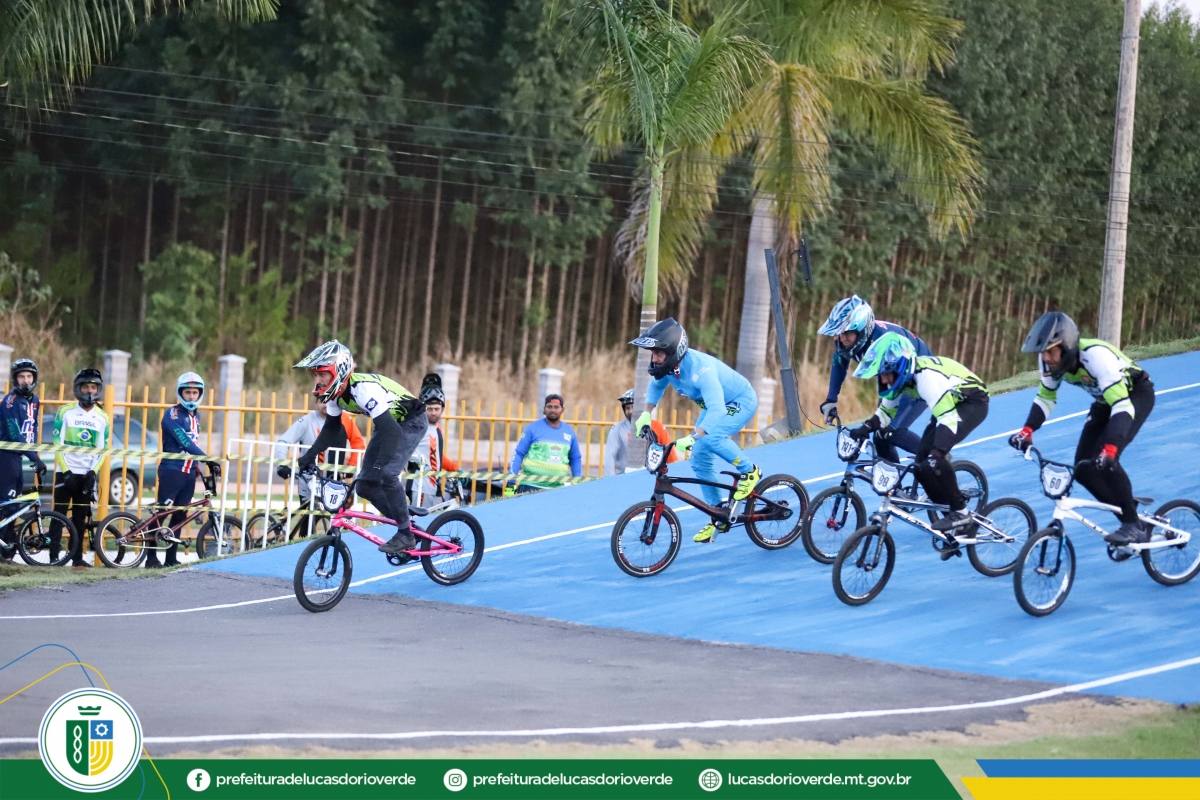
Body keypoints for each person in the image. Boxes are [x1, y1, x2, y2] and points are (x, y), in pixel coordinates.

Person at [1009, 312, 1155, 545]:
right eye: (1042, 352)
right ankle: (1132, 515)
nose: (1045, 357)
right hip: (1104, 402)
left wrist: (1111, 447)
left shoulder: (1095, 357)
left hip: (1133, 397)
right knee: (1083, 469)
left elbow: (1121, 405)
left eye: (1050, 351)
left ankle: (1132, 524)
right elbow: (1046, 397)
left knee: (1107, 458)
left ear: (1067, 347)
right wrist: (1027, 430)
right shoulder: (1049, 362)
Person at [630, 318, 761, 543]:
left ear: (673, 352)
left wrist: (693, 437)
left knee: (711, 438)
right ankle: (718, 513)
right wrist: (646, 413)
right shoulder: (669, 368)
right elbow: (656, 386)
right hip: (714, 406)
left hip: (740, 401)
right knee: (699, 458)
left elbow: (718, 410)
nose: (654, 359)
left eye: (658, 353)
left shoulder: (701, 370)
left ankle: (750, 471)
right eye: (653, 353)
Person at [851, 332, 989, 545]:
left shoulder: (926, 379)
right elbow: (885, 413)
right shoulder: (902, 377)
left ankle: (962, 514)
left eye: (886, 374)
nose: (884, 380)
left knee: (935, 460)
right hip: (947, 405)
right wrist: (864, 429)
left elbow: (949, 420)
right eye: (881, 375)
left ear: (900, 367)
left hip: (971, 403)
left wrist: (939, 451)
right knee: (920, 468)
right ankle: (955, 521)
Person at [293, 341, 427, 556]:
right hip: (387, 424)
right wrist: (309, 456)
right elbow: (332, 429)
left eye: (322, 374)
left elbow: (392, 431)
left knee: (387, 474)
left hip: (410, 421)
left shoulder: (363, 390)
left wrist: (380, 466)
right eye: (315, 375)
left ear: (339, 371)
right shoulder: (336, 395)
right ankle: (407, 523)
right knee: (365, 486)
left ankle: (405, 534)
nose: (318, 380)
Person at [818, 295, 932, 454]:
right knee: (880, 436)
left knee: (892, 432)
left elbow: (902, 384)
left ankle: (937, 459)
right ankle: (890, 472)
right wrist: (831, 399)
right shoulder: (847, 341)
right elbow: (839, 364)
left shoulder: (884, 342)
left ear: (862, 331)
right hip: (893, 379)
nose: (842, 338)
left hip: (916, 378)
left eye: (847, 332)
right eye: (839, 332)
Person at [149, 372, 219, 568]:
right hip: (172, 470)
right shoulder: (172, 414)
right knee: (161, 513)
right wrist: (207, 459)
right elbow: (184, 441)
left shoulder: (197, 416)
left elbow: (193, 444)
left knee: (180, 516)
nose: (191, 397)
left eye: (195, 393)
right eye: (187, 392)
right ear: (180, 393)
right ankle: (151, 558)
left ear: (200, 394)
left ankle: (170, 558)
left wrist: (197, 466)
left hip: (188, 473)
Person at [49, 369, 109, 568]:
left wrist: (93, 472)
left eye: (93, 387)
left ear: (98, 390)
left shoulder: (102, 417)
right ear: (78, 388)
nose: (89, 391)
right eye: (85, 387)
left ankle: (76, 558)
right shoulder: (65, 411)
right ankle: (54, 557)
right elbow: (57, 443)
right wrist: (66, 471)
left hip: (86, 474)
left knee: (80, 518)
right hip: (65, 472)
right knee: (58, 515)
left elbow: (102, 449)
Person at [273, 395, 365, 503]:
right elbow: (283, 442)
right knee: (309, 513)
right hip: (308, 482)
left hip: (334, 483)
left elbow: (358, 443)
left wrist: (351, 467)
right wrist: (281, 464)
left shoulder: (345, 420)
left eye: (331, 401)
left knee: (335, 513)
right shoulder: (307, 421)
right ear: (316, 402)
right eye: (323, 401)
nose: (327, 405)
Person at [0, 358, 47, 559]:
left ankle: (7, 549)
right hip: (6, 455)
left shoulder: (35, 400)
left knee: (15, 505)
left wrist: (32, 455)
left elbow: (32, 429)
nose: (26, 380)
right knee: (7, 503)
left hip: (19, 456)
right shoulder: (9, 402)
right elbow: (14, 433)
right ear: (15, 379)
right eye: (21, 377)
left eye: (29, 376)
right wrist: (34, 457)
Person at [508, 394, 582, 492]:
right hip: (530, 486)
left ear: (562, 410)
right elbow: (518, 454)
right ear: (544, 409)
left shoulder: (569, 431)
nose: (552, 410)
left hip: (557, 490)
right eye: (549, 407)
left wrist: (577, 482)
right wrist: (511, 481)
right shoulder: (532, 428)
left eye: (556, 407)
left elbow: (575, 458)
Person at [604, 388, 678, 475]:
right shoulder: (617, 429)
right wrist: (610, 480)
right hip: (624, 478)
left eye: (633, 407)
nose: (630, 411)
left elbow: (671, 457)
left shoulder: (658, 427)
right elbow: (610, 457)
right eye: (627, 408)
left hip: (653, 479)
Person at [411, 383, 461, 504]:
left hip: (435, 486)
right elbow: (402, 451)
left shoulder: (437, 428)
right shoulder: (416, 427)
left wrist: (455, 469)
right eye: (430, 409)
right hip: (420, 486)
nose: (433, 413)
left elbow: (435, 455)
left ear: (442, 409)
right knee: (420, 516)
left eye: (436, 409)